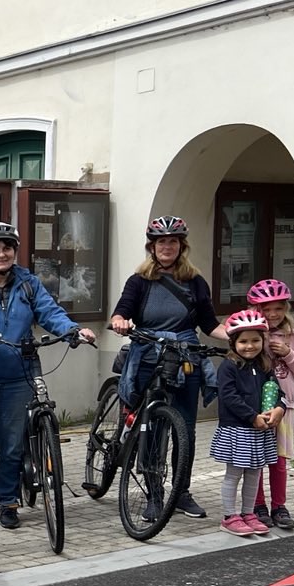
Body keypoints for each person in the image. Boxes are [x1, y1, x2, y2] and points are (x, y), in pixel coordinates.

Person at [0, 221, 96, 531]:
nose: (1, 254)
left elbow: (50, 312)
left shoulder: (29, 284)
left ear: (14, 251)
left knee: (12, 444)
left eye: (6, 248)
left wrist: (72, 330)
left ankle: (8, 502)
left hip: (19, 376)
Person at [107, 214, 223, 520]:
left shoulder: (196, 282)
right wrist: (119, 321)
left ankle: (181, 492)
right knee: (153, 427)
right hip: (148, 354)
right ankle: (154, 494)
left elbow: (210, 324)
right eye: (161, 242)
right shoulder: (140, 281)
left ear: (182, 246)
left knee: (185, 429)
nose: (167, 247)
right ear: (152, 247)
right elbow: (122, 310)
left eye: (173, 241)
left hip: (185, 356)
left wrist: (240, 335)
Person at [211, 309, 286, 537]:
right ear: (234, 342)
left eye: (255, 340)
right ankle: (229, 516)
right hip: (238, 429)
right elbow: (228, 396)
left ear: (263, 340)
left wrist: (279, 409)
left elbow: (277, 390)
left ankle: (248, 513)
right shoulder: (229, 366)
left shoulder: (264, 365)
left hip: (260, 430)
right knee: (234, 474)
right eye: (243, 341)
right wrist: (251, 416)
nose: (250, 346)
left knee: (254, 473)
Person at [245, 278, 294, 530]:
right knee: (256, 460)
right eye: (266, 309)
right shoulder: (250, 334)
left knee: (279, 461)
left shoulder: (293, 336)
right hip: (256, 407)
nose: (272, 314)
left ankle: (279, 507)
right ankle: (257, 504)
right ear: (256, 310)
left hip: (284, 408)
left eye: (278, 308)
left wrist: (288, 352)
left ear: (286, 308)